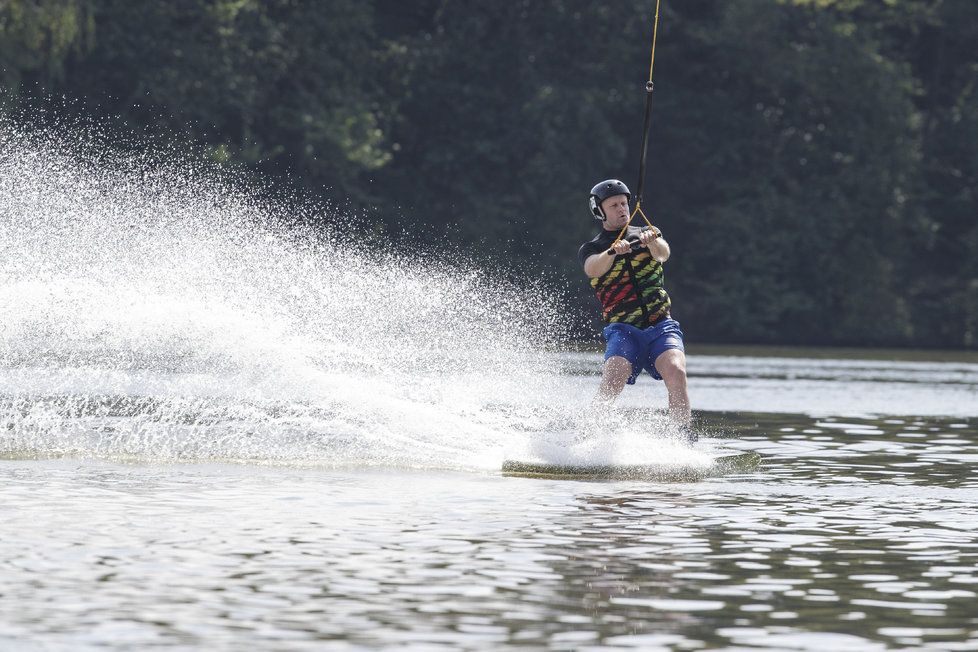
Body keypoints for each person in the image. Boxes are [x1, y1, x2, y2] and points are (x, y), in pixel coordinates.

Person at [578, 179, 691, 429]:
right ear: (600, 211)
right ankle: (589, 435)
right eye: (614, 205)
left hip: (661, 325)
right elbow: (592, 269)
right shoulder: (593, 248)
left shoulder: (648, 234)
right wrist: (612, 253)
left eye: (624, 203)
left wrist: (652, 241)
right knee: (613, 379)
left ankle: (682, 438)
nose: (622, 209)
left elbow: (663, 253)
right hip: (623, 329)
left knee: (676, 371)